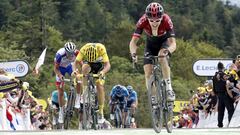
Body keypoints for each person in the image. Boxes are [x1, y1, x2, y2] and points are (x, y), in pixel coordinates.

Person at [129, 2, 176, 101]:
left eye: (157, 21)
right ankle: (153, 97)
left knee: (162, 56)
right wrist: (133, 54)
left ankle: (168, 88)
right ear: (147, 18)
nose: (154, 23)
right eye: (151, 21)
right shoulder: (143, 21)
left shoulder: (166, 20)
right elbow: (133, 42)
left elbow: (173, 44)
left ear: (162, 18)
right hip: (150, 45)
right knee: (147, 71)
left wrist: (169, 51)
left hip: (163, 42)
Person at [72, 43, 111, 123]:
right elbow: (75, 63)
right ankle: (85, 91)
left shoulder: (101, 48)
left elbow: (108, 65)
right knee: (84, 68)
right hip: (89, 64)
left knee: (99, 86)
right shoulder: (84, 49)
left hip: (100, 66)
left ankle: (100, 111)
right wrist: (75, 71)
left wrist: (103, 72)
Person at [54, 41, 81, 123]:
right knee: (60, 91)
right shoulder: (60, 55)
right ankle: (61, 111)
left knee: (78, 78)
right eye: (69, 53)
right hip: (60, 68)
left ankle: (78, 97)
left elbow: (82, 64)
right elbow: (55, 69)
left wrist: (81, 74)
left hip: (70, 66)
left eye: (72, 53)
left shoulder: (77, 52)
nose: (70, 55)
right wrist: (60, 76)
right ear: (65, 51)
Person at [212, 62, 234, 128]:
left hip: (219, 95)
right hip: (226, 94)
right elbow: (228, 83)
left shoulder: (214, 76)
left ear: (218, 68)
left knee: (221, 111)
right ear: (223, 67)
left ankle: (220, 124)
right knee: (230, 109)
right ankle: (230, 122)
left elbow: (214, 87)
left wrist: (217, 94)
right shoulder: (224, 75)